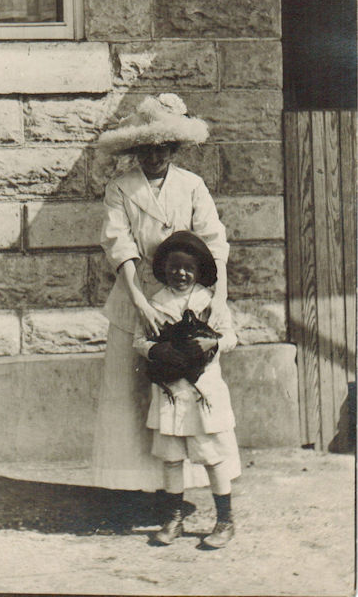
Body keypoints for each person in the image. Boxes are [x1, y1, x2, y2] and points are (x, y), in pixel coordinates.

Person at [92, 92, 230, 497]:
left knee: (186, 388)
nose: (154, 156)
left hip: (186, 297)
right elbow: (120, 245)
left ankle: (184, 486)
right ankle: (132, 487)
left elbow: (213, 241)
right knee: (131, 392)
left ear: (174, 148)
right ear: (136, 149)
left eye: (163, 148)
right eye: (146, 148)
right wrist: (138, 300)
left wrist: (215, 297)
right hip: (137, 297)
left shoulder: (192, 186)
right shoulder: (120, 188)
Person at [133, 230, 240, 548]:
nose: (180, 273)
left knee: (212, 456)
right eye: (173, 267)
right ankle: (174, 518)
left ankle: (225, 520)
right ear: (163, 268)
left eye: (188, 269)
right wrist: (154, 351)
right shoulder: (155, 304)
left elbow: (230, 337)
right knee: (171, 457)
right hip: (169, 391)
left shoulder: (210, 302)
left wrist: (213, 342)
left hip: (202, 392)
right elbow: (139, 340)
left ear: (199, 271)